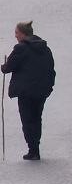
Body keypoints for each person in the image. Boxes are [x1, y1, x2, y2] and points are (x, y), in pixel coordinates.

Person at [2, 21, 55, 161]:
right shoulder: (45, 48)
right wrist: (49, 87)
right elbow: (51, 69)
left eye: (17, 33)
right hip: (41, 91)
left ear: (23, 34)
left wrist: (3, 66)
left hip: (26, 92)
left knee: (27, 120)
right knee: (37, 118)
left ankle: (33, 150)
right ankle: (35, 148)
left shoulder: (21, 49)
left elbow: (8, 68)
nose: (15, 36)